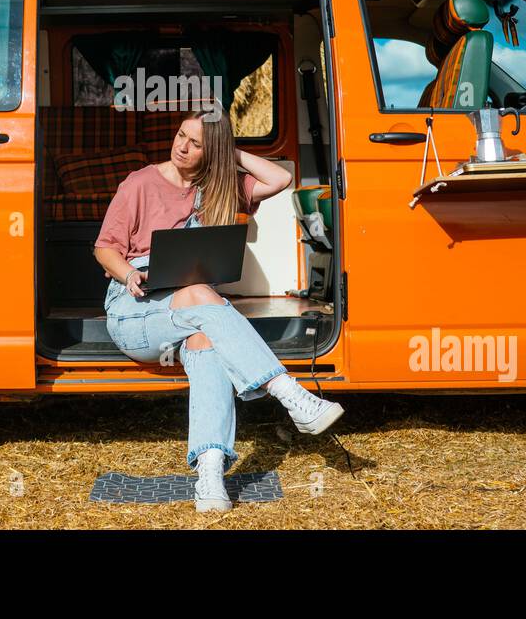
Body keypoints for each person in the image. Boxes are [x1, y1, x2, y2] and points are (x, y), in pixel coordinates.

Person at [93, 108, 345, 512]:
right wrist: (127, 274)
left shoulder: (218, 187)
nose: (182, 147)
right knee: (199, 293)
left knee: (205, 338)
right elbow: (104, 248)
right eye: (180, 136)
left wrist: (230, 152)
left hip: (191, 308)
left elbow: (279, 179)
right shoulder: (139, 183)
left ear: (214, 153)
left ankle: (209, 475)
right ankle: (290, 394)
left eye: (196, 144)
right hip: (134, 308)